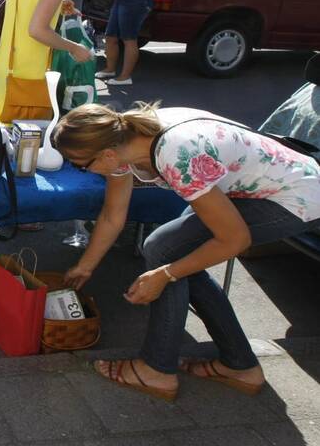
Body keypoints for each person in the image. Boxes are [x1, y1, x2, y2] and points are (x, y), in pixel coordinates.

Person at [52, 102, 320, 402]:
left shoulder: (175, 155)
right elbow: (114, 214)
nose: (79, 170)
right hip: (277, 185)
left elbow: (234, 240)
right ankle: (240, 365)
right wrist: (85, 266)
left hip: (297, 198)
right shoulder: (126, 138)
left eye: (79, 164)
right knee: (166, 250)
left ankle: (157, 370)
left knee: (163, 253)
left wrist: (165, 274)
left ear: (107, 154)